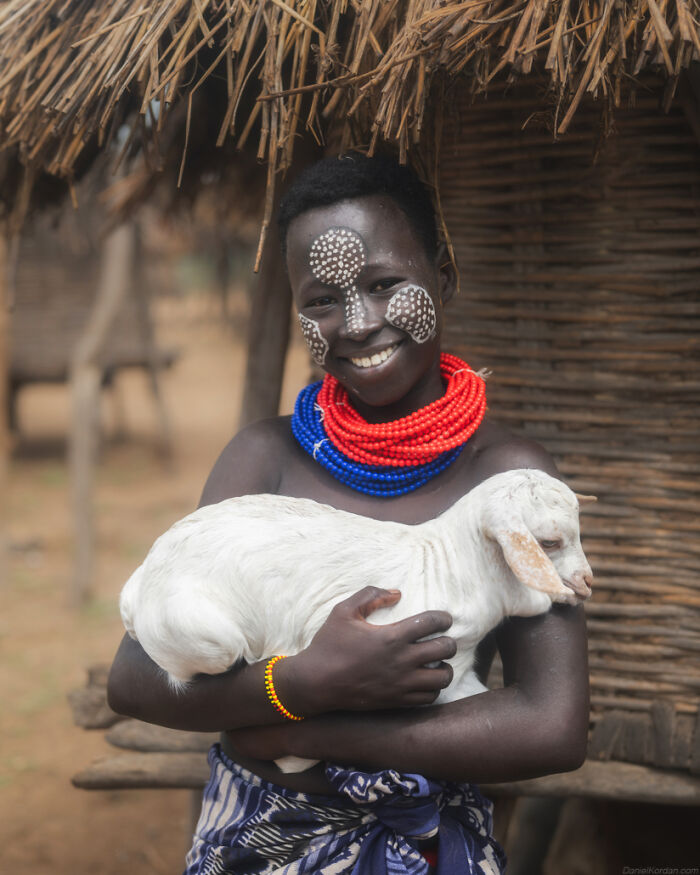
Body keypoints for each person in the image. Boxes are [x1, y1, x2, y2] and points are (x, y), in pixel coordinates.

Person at [107, 153, 589, 874]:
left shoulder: (507, 481)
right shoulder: (263, 460)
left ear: (443, 275)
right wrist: (297, 684)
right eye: (321, 301)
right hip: (256, 841)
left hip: (431, 845)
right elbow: (136, 678)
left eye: (385, 283)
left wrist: (310, 722)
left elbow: (552, 725)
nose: (357, 323)